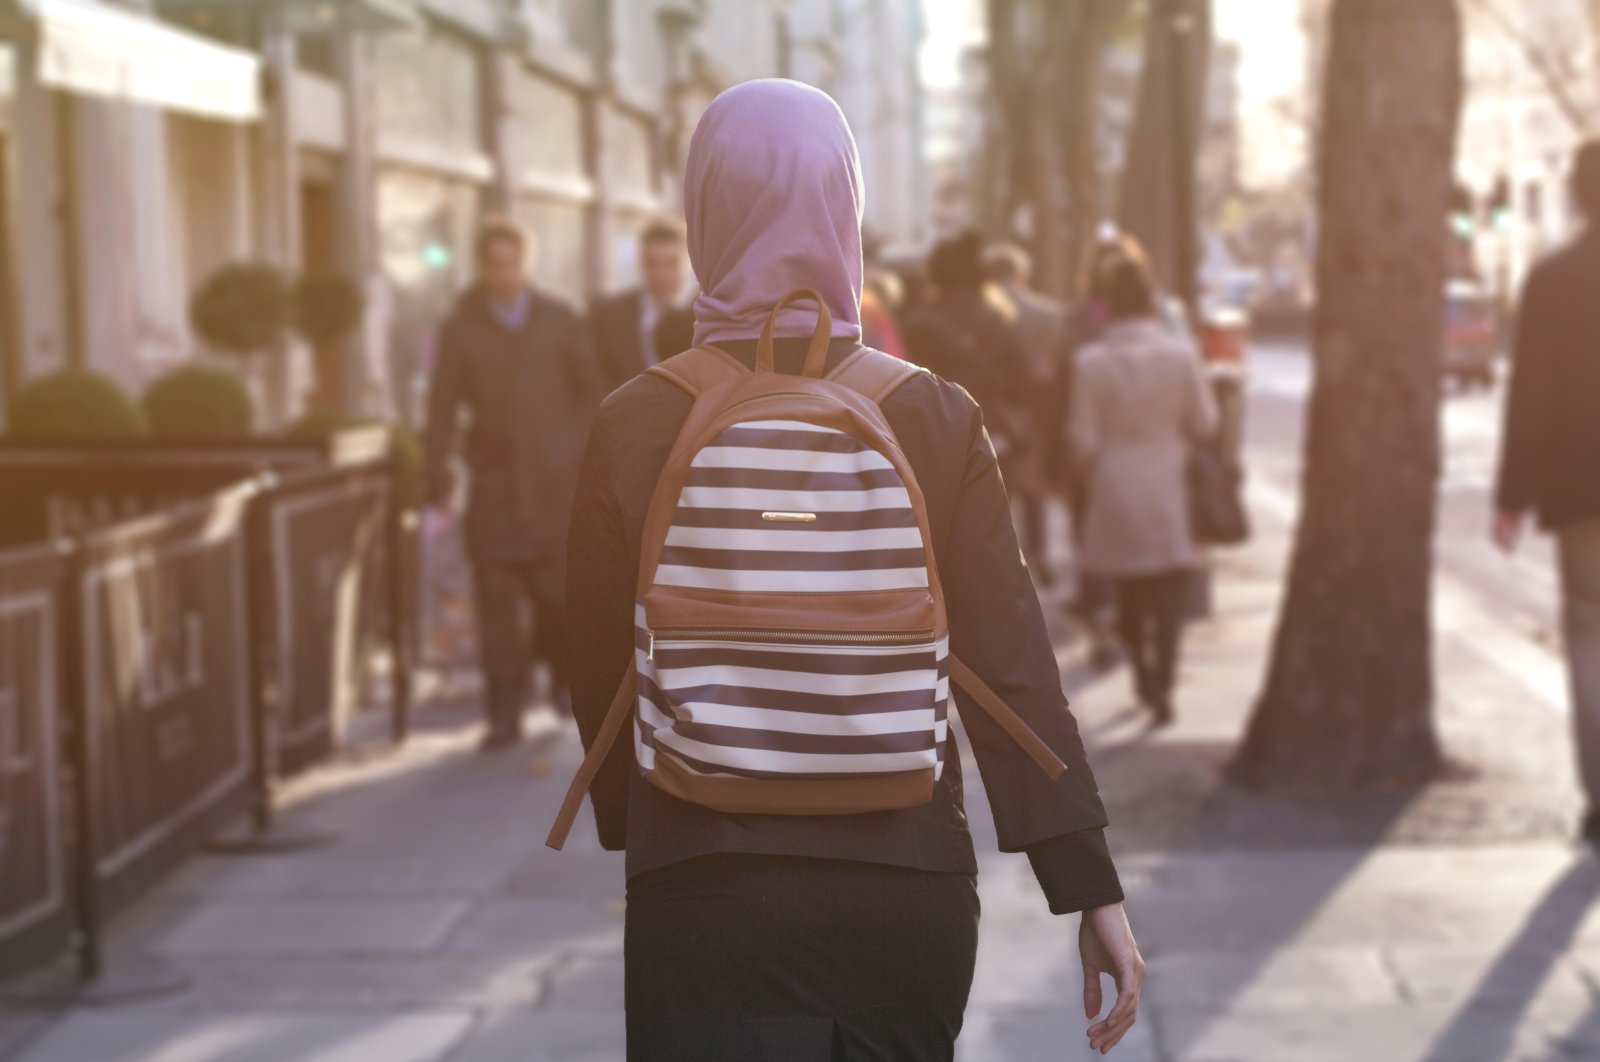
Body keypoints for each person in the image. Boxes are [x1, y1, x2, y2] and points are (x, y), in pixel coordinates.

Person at [566, 79, 1142, 1060]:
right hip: (903, 878)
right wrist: (1083, 881)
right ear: (847, 205)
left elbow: (592, 658)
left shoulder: (638, 418)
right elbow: (1009, 665)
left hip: (704, 882)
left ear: (705, 204)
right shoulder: (931, 413)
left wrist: (635, 824)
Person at [424, 217, 604, 749]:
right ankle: (503, 710)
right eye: (495, 265)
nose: (505, 275)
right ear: (482, 267)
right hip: (496, 485)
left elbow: (591, 393)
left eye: (514, 263)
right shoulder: (462, 328)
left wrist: (572, 449)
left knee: (555, 599)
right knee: (496, 605)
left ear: (529, 264)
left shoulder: (559, 320)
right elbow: (441, 406)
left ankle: (561, 677)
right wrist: (435, 468)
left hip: (553, 486)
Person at [1494, 139, 1600, 843]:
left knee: (1590, 634)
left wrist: (1513, 496)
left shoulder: (1554, 279)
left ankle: (1599, 793)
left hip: (1581, 491)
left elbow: (1531, 393)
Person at [1071, 240, 1218, 726]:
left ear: (1108, 305)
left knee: (1129, 591)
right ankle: (1166, 680)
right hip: (1168, 481)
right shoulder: (1180, 355)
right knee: (1172, 586)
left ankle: (1141, 673)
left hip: (1115, 483)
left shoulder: (1091, 362)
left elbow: (1081, 439)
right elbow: (1205, 422)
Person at [901, 231, 1030, 483]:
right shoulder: (999, 320)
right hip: (993, 436)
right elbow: (1022, 387)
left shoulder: (919, 324)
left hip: (937, 440)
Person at [986, 242, 1067, 584]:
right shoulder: (1048, 314)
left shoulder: (986, 311)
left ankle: (1000, 562)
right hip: (1033, 411)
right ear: (1022, 274)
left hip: (992, 409)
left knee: (993, 492)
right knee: (1034, 492)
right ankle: (1040, 556)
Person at [590, 219, 691, 392]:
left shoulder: (702, 319)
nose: (662, 274)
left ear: (688, 263)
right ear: (641, 263)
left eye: (671, 263)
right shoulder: (608, 317)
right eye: (653, 264)